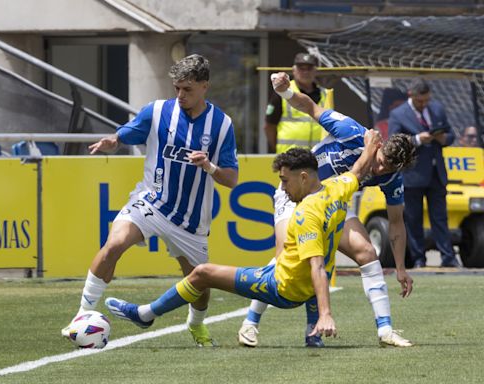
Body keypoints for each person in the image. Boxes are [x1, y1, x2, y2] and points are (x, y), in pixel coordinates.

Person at [104, 133, 383, 346]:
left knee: (202, 273)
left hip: (281, 288)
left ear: (303, 177)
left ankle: (146, 314)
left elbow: (317, 267)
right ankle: (312, 335)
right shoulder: (336, 188)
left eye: (285, 181)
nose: (282, 189)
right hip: (303, 286)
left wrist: (326, 314)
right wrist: (371, 145)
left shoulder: (306, 212)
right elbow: (357, 171)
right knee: (304, 259)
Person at [61, 54, 239, 347]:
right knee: (113, 245)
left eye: (188, 89)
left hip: (191, 221)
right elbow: (128, 133)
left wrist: (209, 167)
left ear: (205, 86)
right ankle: (82, 316)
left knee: (200, 284)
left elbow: (231, 179)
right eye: (177, 88)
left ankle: (196, 325)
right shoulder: (157, 111)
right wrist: (114, 141)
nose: (180, 95)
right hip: (151, 202)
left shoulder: (221, 125)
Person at [238, 72, 416, 349]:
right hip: (295, 195)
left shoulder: (392, 178)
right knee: (286, 254)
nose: (379, 170)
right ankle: (250, 324)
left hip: (332, 205)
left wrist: (401, 268)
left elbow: (396, 223)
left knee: (367, 252)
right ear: (378, 145)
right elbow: (312, 107)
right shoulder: (353, 133)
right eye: (380, 162)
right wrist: (285, 92)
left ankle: (385, 330)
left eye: (388, 169)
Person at [388, 78, 459, 269]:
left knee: (440, 218)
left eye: (426, 100)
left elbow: (451, 134)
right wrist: (418, 139)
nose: (424, 104)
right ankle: (419, 259)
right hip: (412, 174)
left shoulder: (437, 108)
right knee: (413, 219)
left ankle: (448, 258)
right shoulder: (398, 114)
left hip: (437, 173)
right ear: (411, 94)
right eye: (420, 101)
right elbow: (394, 142)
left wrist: (444, 138)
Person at [264, 53, 333, 153]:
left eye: (309, 68)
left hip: (319, 156)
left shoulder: (326, 94)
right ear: (294, 70)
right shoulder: (283, 91)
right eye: (301, 68)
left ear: (315, 71)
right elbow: (269, 126)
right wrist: (277, 150)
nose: (305, 72)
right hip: (290, 157)